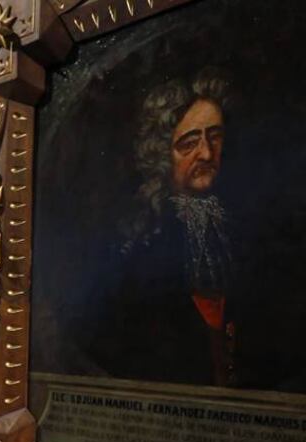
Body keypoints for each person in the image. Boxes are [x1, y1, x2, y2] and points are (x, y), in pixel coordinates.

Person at [103, 67, 238, 387]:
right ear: (162, 152)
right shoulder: (143, 239)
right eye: (189, 143)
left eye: (215, 137)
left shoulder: (239, 224)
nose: (206, 153)